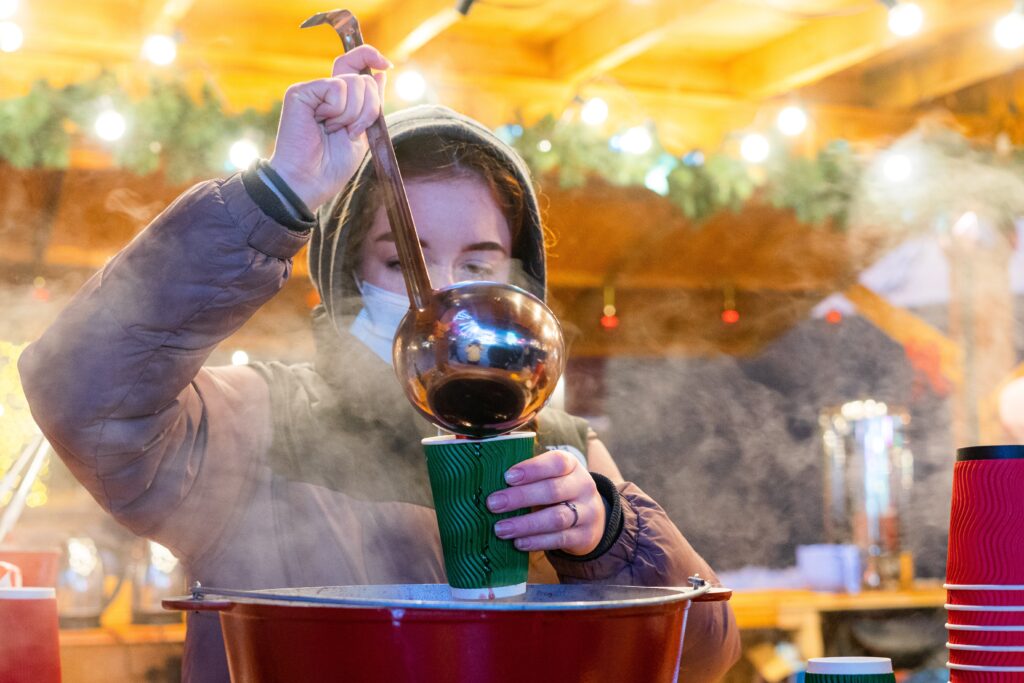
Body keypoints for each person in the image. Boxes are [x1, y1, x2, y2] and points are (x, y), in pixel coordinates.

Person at [19, 45, 740, 681]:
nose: (447, 293)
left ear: (521, 288)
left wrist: (608, 538)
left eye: (479, 262)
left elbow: (705, 649)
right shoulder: (254, 424)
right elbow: (80, 390)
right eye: (404, 260)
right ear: (348, 279)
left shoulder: (563, 452)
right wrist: (280, 195)